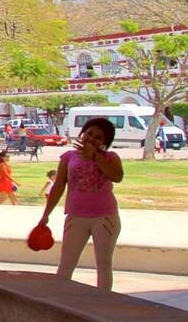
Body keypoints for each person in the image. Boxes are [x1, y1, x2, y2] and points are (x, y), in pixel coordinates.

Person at [40, 118, 126, 291]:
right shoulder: (68, 157)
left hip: (105, 217)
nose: (92, 138)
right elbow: (58, 186)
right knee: (66, 265)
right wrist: (46, 215)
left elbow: (117, 176)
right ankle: (59, 302)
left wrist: (95, 156)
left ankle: (102, 303)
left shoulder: (110, 157)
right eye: (89, 133)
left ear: (105, 142)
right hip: (76, 217)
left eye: (98, 137)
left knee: (103, 265)